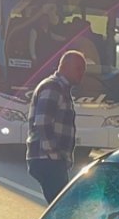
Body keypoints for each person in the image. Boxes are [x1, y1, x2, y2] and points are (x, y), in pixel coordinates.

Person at [27, 50, 85, 203]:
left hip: (51, 160)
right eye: (78, 69)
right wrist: (54, 156)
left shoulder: (62, 89)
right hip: (47, 160)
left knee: (60, 211)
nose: (82, 74)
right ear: (65, 67)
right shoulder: (53, 87)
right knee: (62, 211)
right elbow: (42, 123)